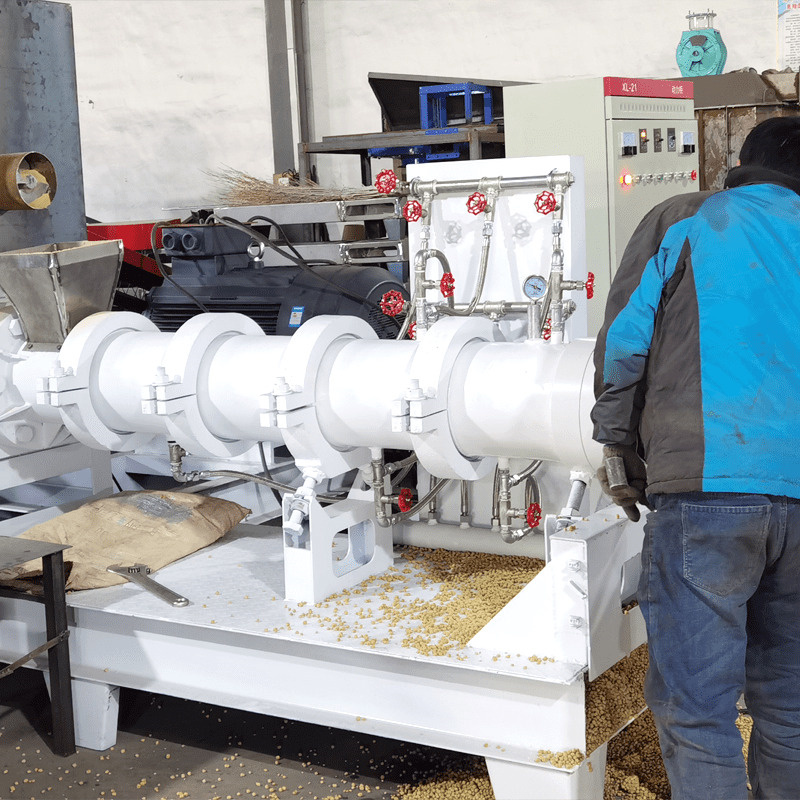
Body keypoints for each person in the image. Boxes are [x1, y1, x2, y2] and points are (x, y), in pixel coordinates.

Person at [591, 116, 800, 800]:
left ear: (741, 164)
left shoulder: (685, 219)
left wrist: (618, 443)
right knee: (791, 709)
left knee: (698, 712)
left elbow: (625, 343)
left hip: (709, 489)